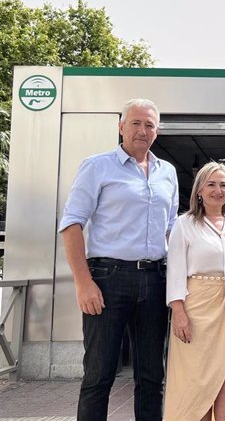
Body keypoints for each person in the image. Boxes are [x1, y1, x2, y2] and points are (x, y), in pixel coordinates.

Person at [59, 98, 178, 421]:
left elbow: (172, 233)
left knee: (152, 375)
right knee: (99, 375)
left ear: (157, 131)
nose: (142, 130)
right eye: (136, 123)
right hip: (108, 279)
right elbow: (71, 225)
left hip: (155, 280)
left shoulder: (167, 172)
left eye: (149, 125)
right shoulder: (97, 166)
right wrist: (84, 283)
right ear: (121, 126)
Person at [164, 161, 225, 421]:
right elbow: (176, 269)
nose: (218, 190)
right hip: (198, 308)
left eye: (223, 185)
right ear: (199, 191)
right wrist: (178, 311)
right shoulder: (185, 224)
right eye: (211, 184)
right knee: (200, 382)